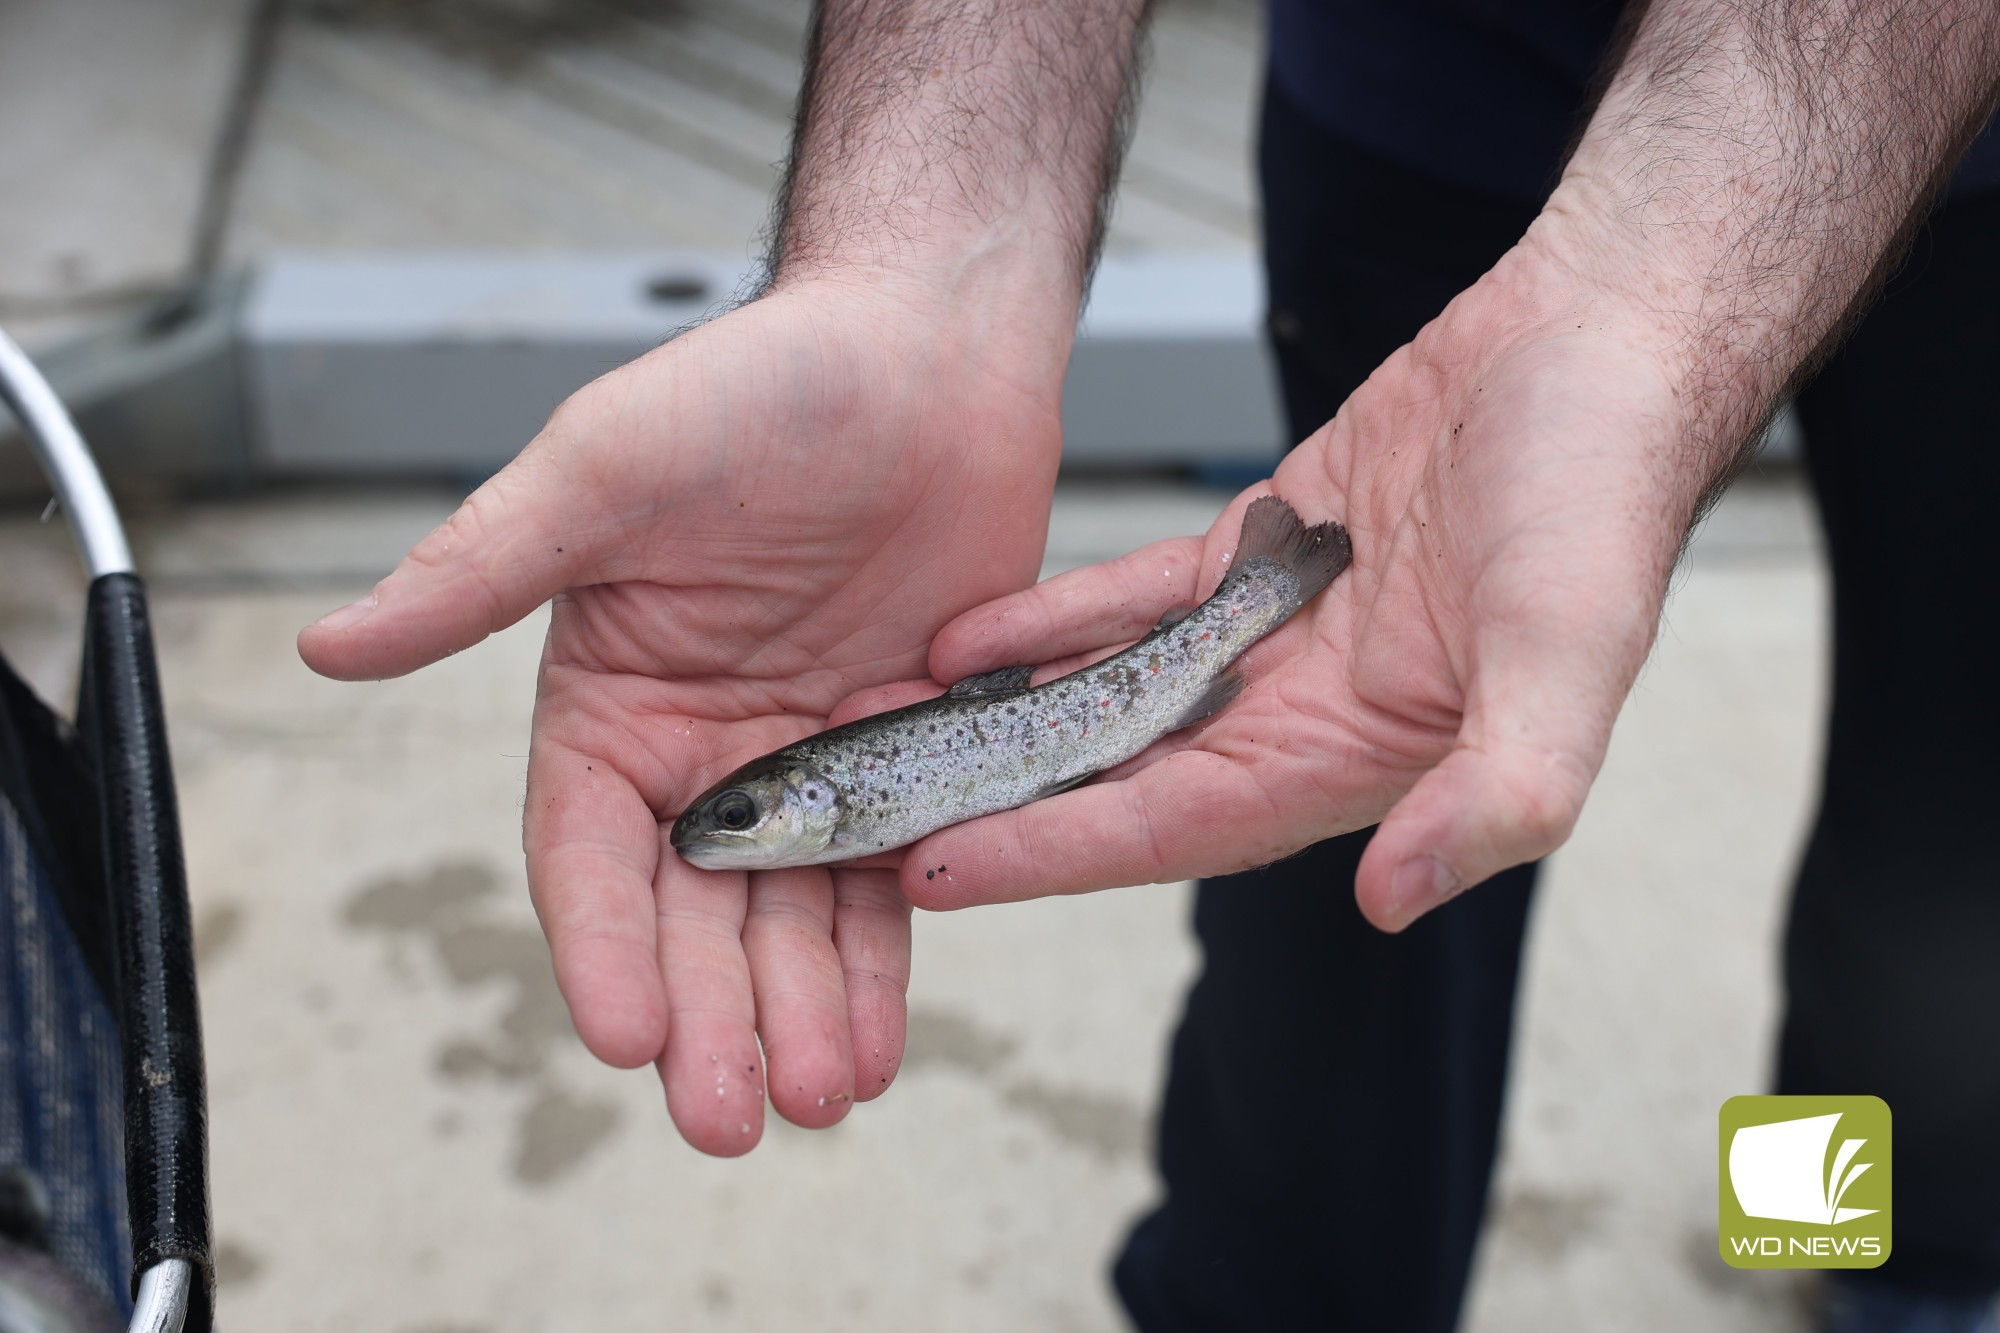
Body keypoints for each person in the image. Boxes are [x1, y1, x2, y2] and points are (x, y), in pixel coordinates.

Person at [299, 1, 2000, 1328]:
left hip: (1960, 116)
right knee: (1348, 840)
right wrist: (921, 245)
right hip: (1430, 106)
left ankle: (1881, 1247)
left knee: (1947, 810)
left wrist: (1661, 288)